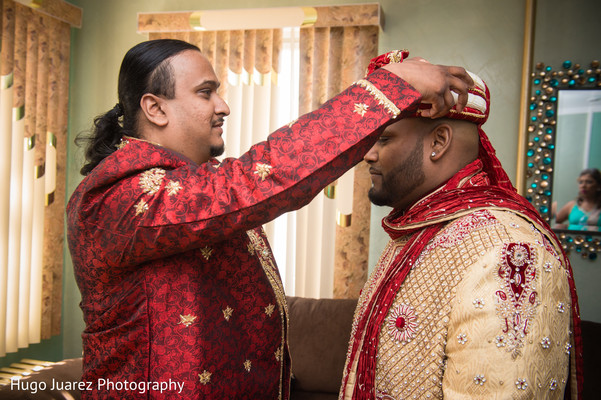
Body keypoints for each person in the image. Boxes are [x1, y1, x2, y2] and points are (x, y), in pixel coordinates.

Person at [67, 40, 474, 399]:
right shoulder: (119, 197)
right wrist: (391, 86)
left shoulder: (192, 184)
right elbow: (257, 180)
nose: (222, 106)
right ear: (155, 108)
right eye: (205, 93)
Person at [339, 53, 583, 400]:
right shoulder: (420, 228)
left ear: (438, 142)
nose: (368, 155)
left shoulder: (510, 251)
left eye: (384, 138)